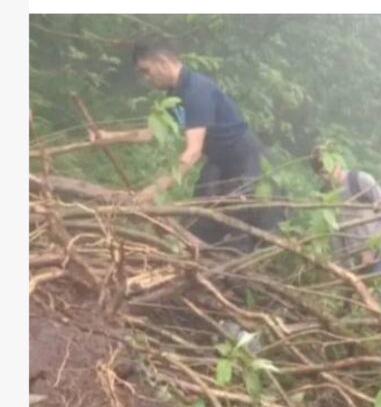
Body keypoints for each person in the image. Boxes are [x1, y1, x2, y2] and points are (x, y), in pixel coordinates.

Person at [88, 37, 279, 252]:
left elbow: (192, 152)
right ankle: (198, 259)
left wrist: (151, 191)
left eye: (146, 71)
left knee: (235, 223)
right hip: (219, 160)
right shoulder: (177, 92)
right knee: (200, 220)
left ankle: (234, 268)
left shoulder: (196, 91)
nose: (146, 78)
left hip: (245, 161)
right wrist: (109, 136)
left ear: (162, 62)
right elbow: (154, 133)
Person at [309, 146, 381, 318]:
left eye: (329, 170)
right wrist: (341, 267)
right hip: (358, 258)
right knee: (360, 302)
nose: (327, 177)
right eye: (322, 174)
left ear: (337, 164)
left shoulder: (360, 181)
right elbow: (335, 235)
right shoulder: (328, 196)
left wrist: (371, 248)